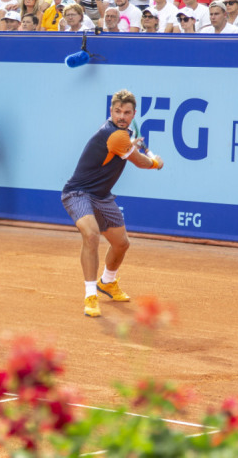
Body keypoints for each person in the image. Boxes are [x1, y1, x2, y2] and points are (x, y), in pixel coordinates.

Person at [61, 89, 164, 318]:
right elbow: (140, 162)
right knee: (91, 235)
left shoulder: (123, 134)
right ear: (111, 111)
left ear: (133, 114)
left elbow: (126, 149)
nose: (121, 116)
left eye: (127, 113)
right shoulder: (116, 135)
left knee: (121, 244)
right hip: (78, 193)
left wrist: (133, 146)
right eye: (117, 111)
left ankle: (107, 282)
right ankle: (90, 294)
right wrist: (156, 162)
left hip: (102, 195)